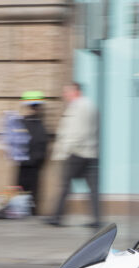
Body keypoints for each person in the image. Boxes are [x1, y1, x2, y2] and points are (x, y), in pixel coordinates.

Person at [46, 82, 100, 229]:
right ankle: (96, 218)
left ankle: (57, 217)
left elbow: (76, 132)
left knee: (64, 185)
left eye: (66, 91)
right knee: (92, 188)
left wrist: (65, 150)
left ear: (75, 91)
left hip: (77, 152)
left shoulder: (78, 106)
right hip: (90, 152)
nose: (64, 95)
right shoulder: (90, 105)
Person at [17, 91, 48, 215]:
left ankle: (23, 209)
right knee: (30, 186)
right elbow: (41, 141)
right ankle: (28, 210)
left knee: (24, 186)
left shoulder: (24, 122)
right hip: (32, 160)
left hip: (27, 160)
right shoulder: (37, 123)